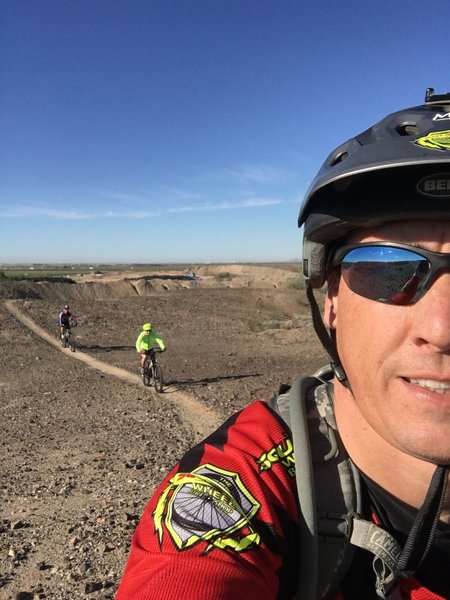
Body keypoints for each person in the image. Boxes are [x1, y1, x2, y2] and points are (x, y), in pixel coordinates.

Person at [116, 88, 450, 599]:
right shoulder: (245, 485)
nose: (444, 329)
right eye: (390, 269)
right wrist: (147, 346)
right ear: (330, 299)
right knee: (147, 358)